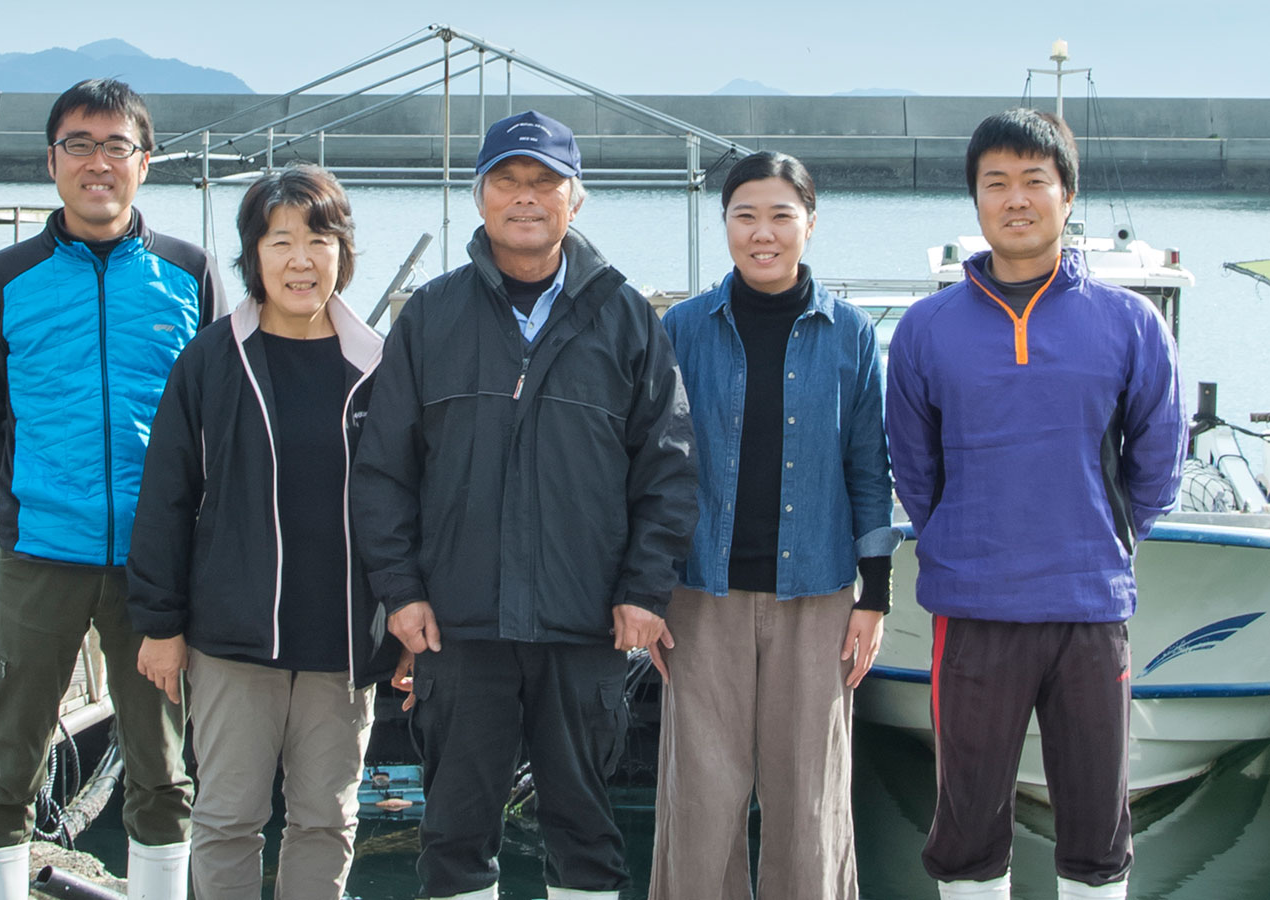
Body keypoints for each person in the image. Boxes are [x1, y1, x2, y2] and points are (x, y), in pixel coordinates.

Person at [351, 109, 698, 900]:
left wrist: (645, 590)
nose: (526, 197)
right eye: (507, 179)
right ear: (479, 196)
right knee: (455, 829)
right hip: (460, 620)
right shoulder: (432, 316)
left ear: (576, 199)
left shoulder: (626, 317)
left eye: (545, 181)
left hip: (586, 621)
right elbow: (382, 471)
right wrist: (401, 594)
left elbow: (669, 466)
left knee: (585, 828)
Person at [885, 108, 1186, 900]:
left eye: (1034, 181)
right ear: (975, 200)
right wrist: (960, 537)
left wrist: (1107, 536)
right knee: (967, 829)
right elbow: (915, 471)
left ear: (1067, 194)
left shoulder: (1131, 323)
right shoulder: (925, 330)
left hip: (1090, 611)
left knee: (1096, 828)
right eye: (997, 183)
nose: (1016, 199)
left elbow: (1158, 459)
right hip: (974, 608)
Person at [0, 78, 223, 899]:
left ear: (145, 163)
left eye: (117, 146)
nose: (97, 163)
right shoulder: (4, 279)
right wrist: (36, 496)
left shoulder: (190, 273)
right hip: (40, 557)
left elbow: (213, 416)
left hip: (157, 570)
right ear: (52, 160)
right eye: (79, 144)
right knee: (8, 765)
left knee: (165, 770)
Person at [124, 164, 399, 900]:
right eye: (280, 241)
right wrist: (160, 623)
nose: (301, 260)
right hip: (233, 634)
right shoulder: (212, 358)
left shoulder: (379, 365)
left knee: (326, 820)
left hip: (342, 641)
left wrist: (404, 626)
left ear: (343, 252)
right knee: (226, 818)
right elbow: (167, 498)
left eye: (319, 239)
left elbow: (410, 504)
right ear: (253, 255)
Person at [647, 150, 899, 900]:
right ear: (724, 223)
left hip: (817, 596)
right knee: (700, 808)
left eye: (781, 215)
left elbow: (868, 467)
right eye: (745, 215)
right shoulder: (682, 328)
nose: (764, 233)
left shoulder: (849, 333)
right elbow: (653, 468)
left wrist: (874, 596)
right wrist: (647, 589)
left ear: (810, 225)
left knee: (809, 809)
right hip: (700, 596)